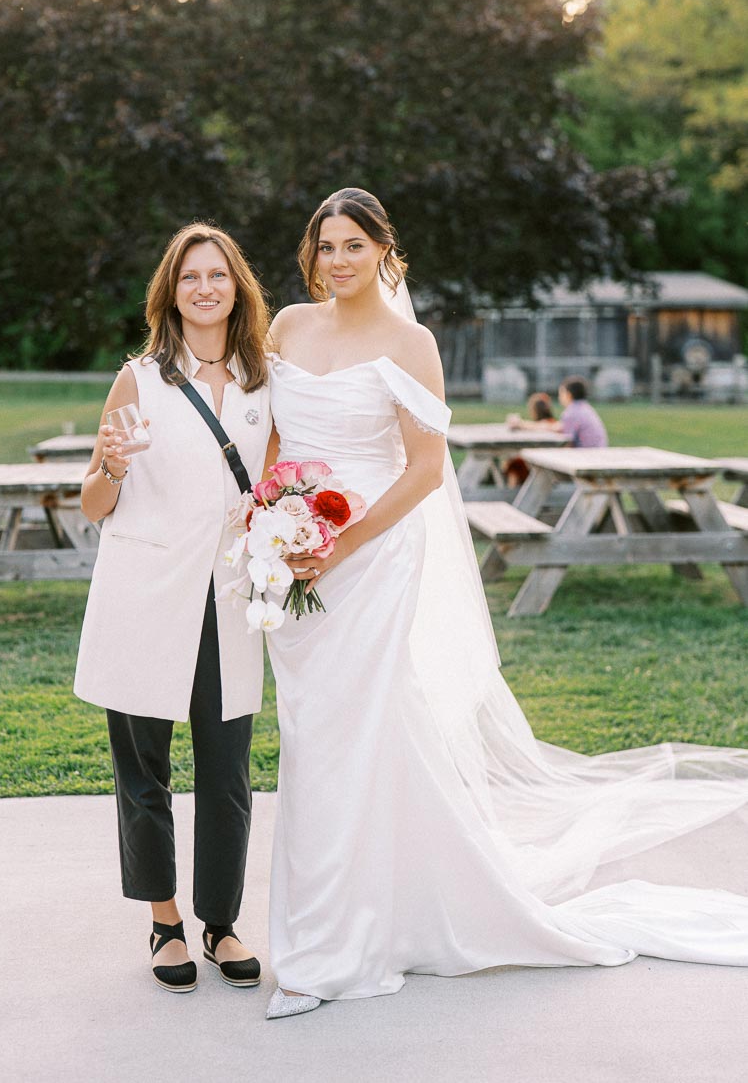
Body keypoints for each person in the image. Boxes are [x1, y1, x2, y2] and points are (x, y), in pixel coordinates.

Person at [261, 186, 748, 1020]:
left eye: (353, 245)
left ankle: (331, 949)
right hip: (291, 554)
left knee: (352, 729)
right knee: (318, 733)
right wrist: (272, 523)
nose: (337, 261)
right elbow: (275, 436)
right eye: (325, 245)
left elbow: (421, 470)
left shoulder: (410, 343)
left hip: (371, 553)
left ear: (383, 249)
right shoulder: (288, 328)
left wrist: (339, 543)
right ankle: (392, 903)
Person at [74, 223, 272, 994]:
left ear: (236, 288)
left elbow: (275, 483)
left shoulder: (266, 385)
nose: (204, 287)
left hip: (228, 602)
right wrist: (111, 469)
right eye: (189, 276)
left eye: (217, 275)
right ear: (171, 290)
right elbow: (94, 504)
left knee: (227, 775)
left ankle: (221, 922)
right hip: (145, 601)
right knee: (143, 772)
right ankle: (164, 922)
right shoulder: (139, 380)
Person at [504, 391, 558, 487]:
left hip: (544, 464)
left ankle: (512, 492)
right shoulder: (552, 423)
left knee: (515, 464)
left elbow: (543, 426)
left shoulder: (546, 426)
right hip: (547, 463)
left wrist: (519, 423)